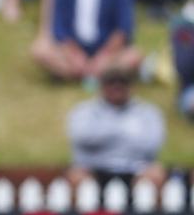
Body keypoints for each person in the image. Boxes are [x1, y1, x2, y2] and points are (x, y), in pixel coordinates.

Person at [67, 61, 165, 189]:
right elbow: (82, 137)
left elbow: (151, 144)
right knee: (76, 175)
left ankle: (147, 209)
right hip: (94, 167)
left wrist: (102, 135)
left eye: (122, 82)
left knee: (156, 173)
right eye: (111, 82)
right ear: (102, 85)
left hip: (136, 168)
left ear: (131, 86)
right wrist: (125, 131)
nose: (116, 86)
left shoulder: (149, 112)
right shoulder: (84, 111)